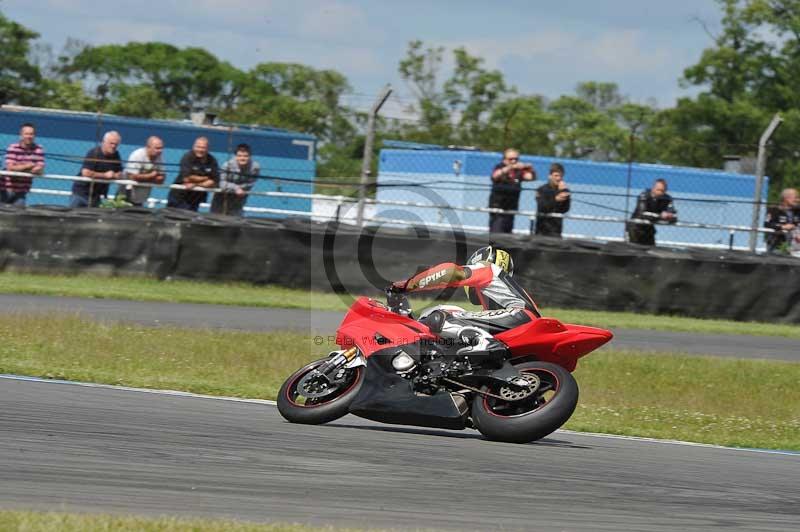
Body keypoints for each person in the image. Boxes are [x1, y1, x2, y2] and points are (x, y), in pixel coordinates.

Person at [388, 246, 539, 358]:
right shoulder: (502, 295)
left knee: (441, 314)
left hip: (520, 317)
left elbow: (450, 273)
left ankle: (485, 343)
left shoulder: (488, 268)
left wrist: (409, 285)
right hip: (521, 327)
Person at [71, 131, 123, 208]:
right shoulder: (94, 153)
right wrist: (105, 175)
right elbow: (86, 172)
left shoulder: (116, 155)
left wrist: (115, 175)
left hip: (96, 195)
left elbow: (120, 173)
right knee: (74, 215)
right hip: (82, 192)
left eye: (116, 144)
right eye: (111, 143)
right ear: (103, 142)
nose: (113, 146)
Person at [489, 149, 535, 233]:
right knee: (497, 233)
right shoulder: (499, 167)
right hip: (498, 208)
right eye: (511, 159)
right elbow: (495, 176)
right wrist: (510, 167)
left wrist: (530, 169)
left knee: (507, 234)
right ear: (504, 159)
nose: (514, 161)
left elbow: (530, 177)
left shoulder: (519, 170)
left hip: (511, 207)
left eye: (516, 159)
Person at [166, 137, 219, 211]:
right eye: (198, 147)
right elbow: (187, 178)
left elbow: (214, 181)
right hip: (179, 196)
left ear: (207, 149)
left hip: (196, 198)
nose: (200, 150)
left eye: (203, 148)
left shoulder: (212, 160)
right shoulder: (188, 157)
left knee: (190, 220)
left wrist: (196, 184)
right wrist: (205, 178)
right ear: (193, 147)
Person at [210, 143, 260, 216]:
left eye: (245, 156)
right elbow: (221, 182)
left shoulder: (255, 167)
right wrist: (235, 188)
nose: (242, 158)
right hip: (221, 196)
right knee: (216, 217)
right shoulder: (227, 165)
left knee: (235, 220)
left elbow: (251, 183)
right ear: (235, 156)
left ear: (250, 156)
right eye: (239, 156)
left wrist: (241, 189)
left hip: (239, 198)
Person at [2, 122, 45, 206]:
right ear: (21, 135)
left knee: (18, 216)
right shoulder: (13, 147)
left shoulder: (38, 149)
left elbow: (40, 170)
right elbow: (10, 168)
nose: (29, 136)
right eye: (26, 134)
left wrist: (19, 168)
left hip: (22, 191)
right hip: (5, 189)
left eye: (31, 134)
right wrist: (28, 166)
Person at [627, 178, 677, 246]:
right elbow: (642, 214)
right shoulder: (644, 196)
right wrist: (660, 216)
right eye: (658, 190)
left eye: (663, 191)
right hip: (635, 228)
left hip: (649, 228)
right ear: (653, 188)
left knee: (651, 250)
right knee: (635, 250)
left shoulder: (667, 198)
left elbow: (674, 216)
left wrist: (669, 215)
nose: (661, 193)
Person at [118, 136, 166, 207]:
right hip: (126, 195)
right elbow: (132, 176)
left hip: (141, 198)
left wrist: (143, 178)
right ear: (148, 147)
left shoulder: (159, 158)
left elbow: (161, 179)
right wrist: (151, 176)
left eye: (161, 148)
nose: (160, 151)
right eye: (157, 148)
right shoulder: (137, 155)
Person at [535, 162, 571, 237]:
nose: (558, 178)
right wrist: (556, 199)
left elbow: (565, 209)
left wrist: (563, 193)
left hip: (556, 230)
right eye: (556, 175)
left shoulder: (564, 190)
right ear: (550, 176)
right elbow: (542, 207)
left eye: (561, 176)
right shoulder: (542, 189)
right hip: (542, 229)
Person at [764, 188, 800, 254]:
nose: (798, 200)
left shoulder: (797, 210)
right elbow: (767, 224)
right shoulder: (774, 209)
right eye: (795, 198)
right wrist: (782, 227)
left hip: (794, 244)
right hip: (777, 242)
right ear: (786, 198)